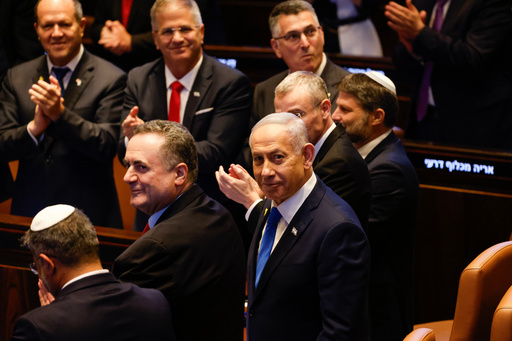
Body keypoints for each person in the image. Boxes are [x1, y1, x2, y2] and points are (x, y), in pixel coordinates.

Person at [119, 0, 252, 229]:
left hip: (207, 212)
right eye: (168, 31)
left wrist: (148, 146)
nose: (177, 38)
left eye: (185, 29)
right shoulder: (138, 79)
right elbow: (123, 150)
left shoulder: (230, 83)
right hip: (150, 214)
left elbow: (216, 153)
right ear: (155, 39)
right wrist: (129, 138)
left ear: (201, 32)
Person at [112, 120, 246, 341]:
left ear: (179, 174)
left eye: (141, 167)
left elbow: (119, 329)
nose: (127, 177)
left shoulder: (153, 250)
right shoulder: (217, 213)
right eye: (128, 165)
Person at [244, 113, 370, 341]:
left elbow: (339, 334)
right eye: (258, 159)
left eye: (278, 157)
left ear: (307, 156)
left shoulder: (337, 229)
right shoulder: (271, 204)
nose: (266, 172)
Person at [0, 0, 126, 228]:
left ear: (81, 26)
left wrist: (60, 114)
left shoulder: (112, 78)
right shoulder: (16, 78)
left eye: (64, 24)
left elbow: (107, 145)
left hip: (89, 216)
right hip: (30, 214)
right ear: (37, 29)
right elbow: (2, 145)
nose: (56, 33)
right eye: (48, 26)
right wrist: (33, 129)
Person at [217, 71, 371, 230]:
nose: (286, 126)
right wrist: (263, 194)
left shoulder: (339, 163)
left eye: (297, 115)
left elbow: (302, 232)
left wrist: (251, 200)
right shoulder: (317, 147)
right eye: (280, 117)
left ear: (325, 109)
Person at [332, 71, 419, 341]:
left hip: (378, 310)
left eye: (345, 109)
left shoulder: (389, 168)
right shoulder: (366, 154)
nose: (335, 116)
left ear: (377, 116)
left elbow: (356, 237)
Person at [11, 204, 175, 341]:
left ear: (47, 264)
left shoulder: (37, 327)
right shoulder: (155, 302)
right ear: (96, 242)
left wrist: (50, 318)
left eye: (36, 267)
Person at [384, 0, 512, 149]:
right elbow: (400, 60)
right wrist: (412, 48)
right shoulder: (423, 3)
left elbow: (474, 56)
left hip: (473, 124)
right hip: (424, 117)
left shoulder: (491, 3)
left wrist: (421, 34)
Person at [252, 0, 350, 124]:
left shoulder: (349, 88)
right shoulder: (264, 91)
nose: (305, 43)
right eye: (293, 36)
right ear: (276, 47)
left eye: (310, 32)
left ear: (322, 35)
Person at [89, 0, 161, 72]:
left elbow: (165, 33)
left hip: (147, 66)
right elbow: (96, 26)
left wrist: (130, 41)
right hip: (109, 64)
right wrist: (105, 32)